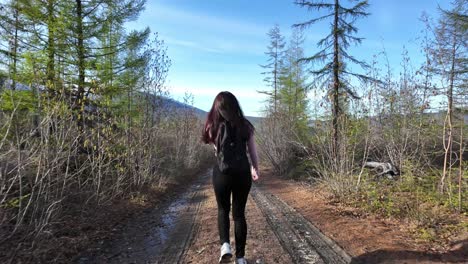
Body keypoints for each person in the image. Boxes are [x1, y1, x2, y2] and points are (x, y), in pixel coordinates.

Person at [202, 91, 259, 264]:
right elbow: (252, 151)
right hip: (242, 174)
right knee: (239, 215)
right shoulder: (245, 125)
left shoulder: (211, 126)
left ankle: (225, 246)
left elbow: (214, 149)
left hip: (222, 174)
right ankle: (240, 258)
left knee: (222, 210)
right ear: (235, 105)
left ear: (216, 108)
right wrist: (255, 168)